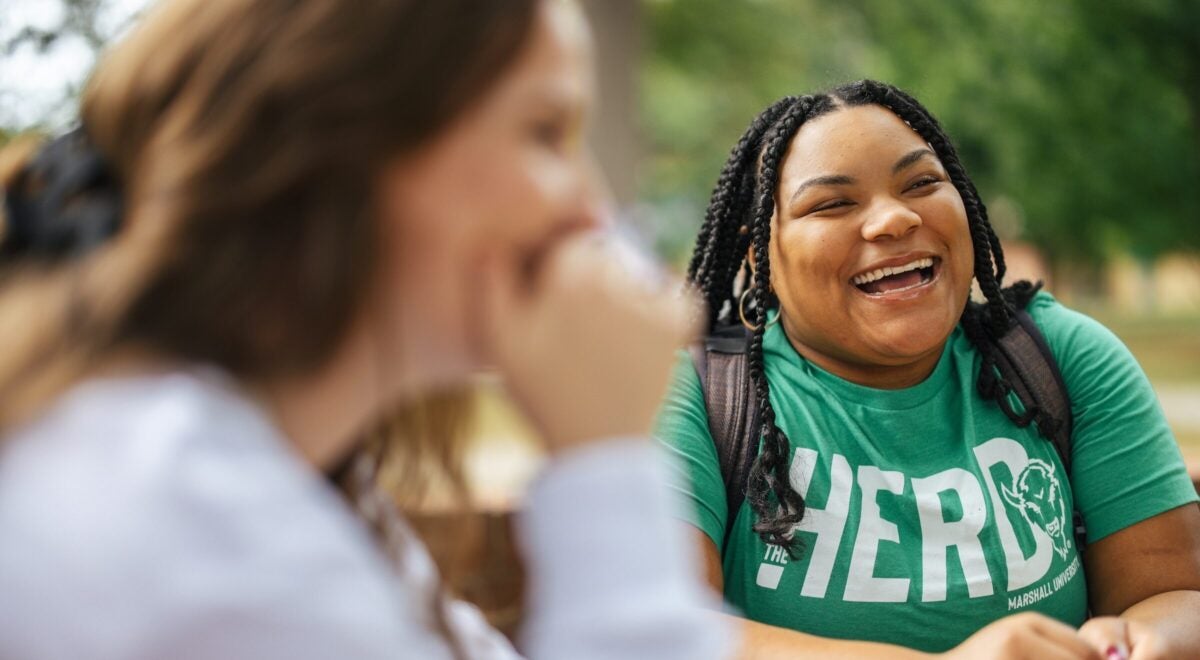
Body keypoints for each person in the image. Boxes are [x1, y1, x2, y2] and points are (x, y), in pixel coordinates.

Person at [0, 1, 736, 658]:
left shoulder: (276, 479)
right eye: (545, 132)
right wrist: (604, 457)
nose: (588, 211)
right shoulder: (195, 535)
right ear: (343, 147)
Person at [657, 80, 1200, 659]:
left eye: (921, 183)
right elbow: (664, 632)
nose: (893, 219)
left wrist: (1137, 640)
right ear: (757, 252)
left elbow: (1173, 594)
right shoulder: (694, 395)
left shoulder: (1064, 358)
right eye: (833, 204)